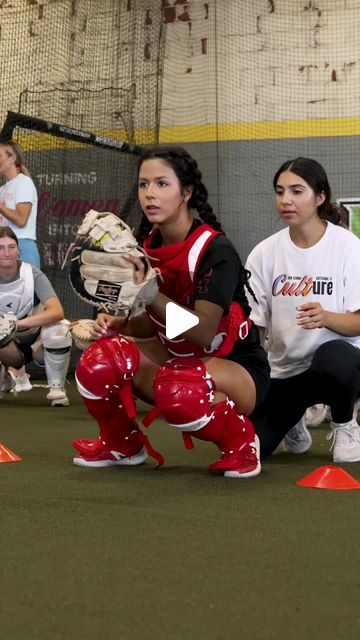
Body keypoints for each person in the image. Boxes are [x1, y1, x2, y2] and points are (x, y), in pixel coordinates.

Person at [72, 145, 270, 477]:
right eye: (143, 184)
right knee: (100, 361)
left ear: (186, 192)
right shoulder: (144, 245)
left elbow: (203, 331)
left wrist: (152, 294)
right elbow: (155, 325)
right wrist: (118, 325)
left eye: (162, 184)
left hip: (235, 368)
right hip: (176, 359)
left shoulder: (215, 250)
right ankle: (122, 444)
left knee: (180, 385)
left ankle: (242, 443)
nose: (150, 193)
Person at [246, 157, 360, 463]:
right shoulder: (263, 253)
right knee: (253, 448)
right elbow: (253, 325)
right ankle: (293, 423)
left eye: (297, 191)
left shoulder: (349, 248)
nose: (286, 200)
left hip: (339, 367)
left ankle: (345, 424)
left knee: (336, 356)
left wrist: (327, 318)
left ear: (320, 197)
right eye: (280, 191)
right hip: (285, 372)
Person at [0, 226, 71, 407]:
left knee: (59, 329)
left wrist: (18, 323)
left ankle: (57, 389)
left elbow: (57, 311)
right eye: (0, 247)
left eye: (11, 246)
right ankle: (5, 379)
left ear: (19, 249)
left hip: (32, 336)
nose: (6, 253)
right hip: (6, 346)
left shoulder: (31, 274)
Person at [0, 141, 40, 392]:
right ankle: (19, 374)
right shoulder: (4, 187)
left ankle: (34, 359)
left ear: (11, 157)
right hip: (4, 247)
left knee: (31, 315)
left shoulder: (23, 183)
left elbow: (21, 218)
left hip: (22, 247)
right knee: (5, 314)